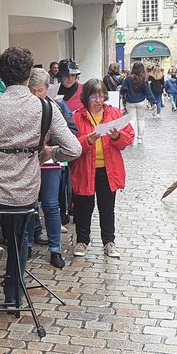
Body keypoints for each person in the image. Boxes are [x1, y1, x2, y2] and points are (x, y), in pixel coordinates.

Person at [0, 47, 82, 307]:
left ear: (2, 75)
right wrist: (49, 151)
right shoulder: (46, 108)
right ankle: (13, 298)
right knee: (18, 237)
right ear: (29, 73)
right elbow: (74, 149)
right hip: (25, 193)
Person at [70, 79, 135, 258]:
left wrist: (116, 136)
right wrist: (87, 140)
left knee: (107, 207)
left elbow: (128, 138)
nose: (98, 100)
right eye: (93, 96)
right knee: (84, 207)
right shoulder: (77, 116)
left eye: (100, 96)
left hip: (108, 169)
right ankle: (82, 241)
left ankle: (109, 242)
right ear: (86, 98)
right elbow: (70, 145)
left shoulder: (114, 113)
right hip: (85, 168)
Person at [25, 69, 69, 268]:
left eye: (40, 90)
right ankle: (24, 246)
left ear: (47, 89)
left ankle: (55, 249)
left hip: (49, 163)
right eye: (31, 90)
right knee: (27, 206)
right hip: (27, 162)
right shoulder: (22, 108)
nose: (35, 95)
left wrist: (52, 149)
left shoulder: (55, 107)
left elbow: (70, 133)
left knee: (51, 205)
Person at [119, 61, 156, 143]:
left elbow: (123, 90)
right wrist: (153, 102)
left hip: (130, 102)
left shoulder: (128, 79)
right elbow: (148, 92)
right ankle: (140, 138)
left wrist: (124, 98)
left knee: (132, 120)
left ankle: (131, 137)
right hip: (141, 102)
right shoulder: (144, 79)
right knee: (141, 120)